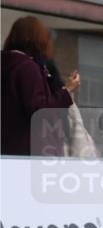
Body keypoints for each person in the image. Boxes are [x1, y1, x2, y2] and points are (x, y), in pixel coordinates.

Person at [1, 16, 81, 155]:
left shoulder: (8, 64)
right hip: (30, 151)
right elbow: (39, 110)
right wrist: (67, 91)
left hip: (9, 149)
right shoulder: (27, 68)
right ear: (36, 40)